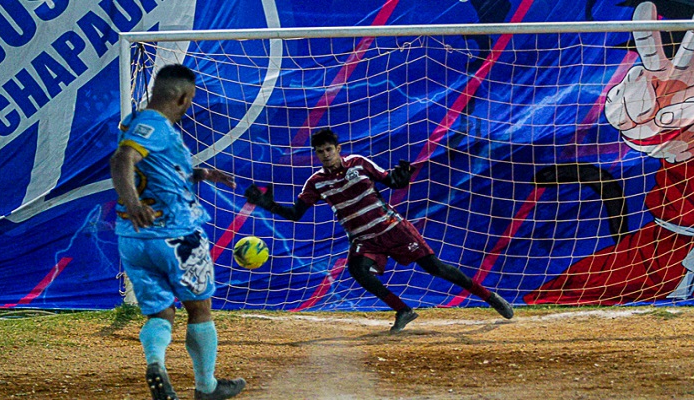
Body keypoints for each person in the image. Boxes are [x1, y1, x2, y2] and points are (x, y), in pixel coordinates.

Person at [244, 128, 514, 333]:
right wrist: (267, 204)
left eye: (329, 149)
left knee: (436, 268)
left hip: (391, 227)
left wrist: (402, 178)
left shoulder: (358, 163)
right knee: (357, 270)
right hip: (364, 239)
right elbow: (295, 213)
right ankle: (403, 310)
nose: (325, 155)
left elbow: (391, 181)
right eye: (320, 151)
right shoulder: (316, 182)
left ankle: (490, 297)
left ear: (338, 149)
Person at [110, 64, 246, 400]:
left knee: (160, 312)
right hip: (175, 235)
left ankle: (156, 363)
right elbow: (122, 160)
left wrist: (200, 174)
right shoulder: (154, 124)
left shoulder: (134, 122)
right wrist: (134, 203)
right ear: (184, 97)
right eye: (192, 99)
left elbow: (154, 168)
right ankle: (206, 386)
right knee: (199, 308)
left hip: (134, 239)